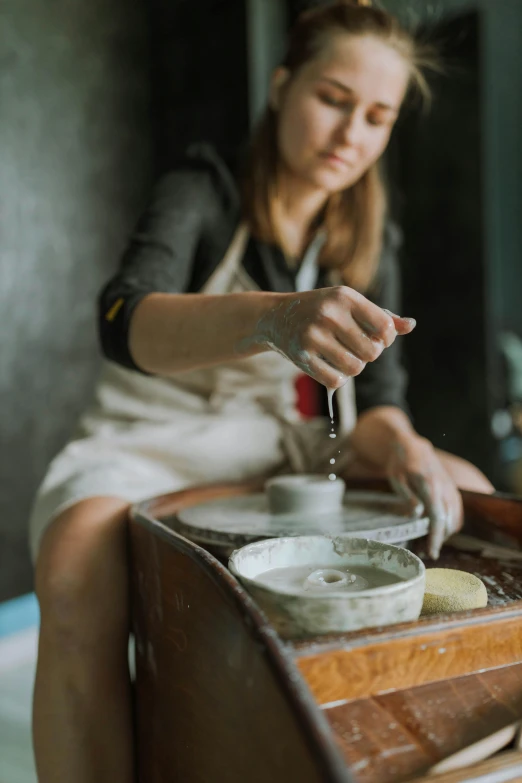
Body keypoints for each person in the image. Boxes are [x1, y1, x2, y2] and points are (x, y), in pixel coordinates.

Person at [30, 2, 494, 781]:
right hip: (153, 439)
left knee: (470, 494)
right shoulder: (203, 187)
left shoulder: (371, 233)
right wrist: (274, 318)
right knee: (76, 554)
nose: (352, 134)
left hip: (284, 449)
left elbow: (378, 404)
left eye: (377, 117)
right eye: (333, 99)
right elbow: (123, 319)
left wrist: (409, 445)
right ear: (282, 86)